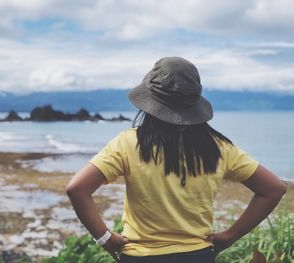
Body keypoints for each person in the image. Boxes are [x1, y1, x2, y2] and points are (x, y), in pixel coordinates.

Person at [66, 57, 286, 263]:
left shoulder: (128, 143)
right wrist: (230, 236)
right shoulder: (219, 147)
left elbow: (77, 188)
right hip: (198, 255)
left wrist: (105, 238)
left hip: (140, 257)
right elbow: (274, 188)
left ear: (149, 102)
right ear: (194, 104)